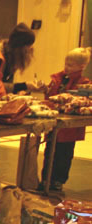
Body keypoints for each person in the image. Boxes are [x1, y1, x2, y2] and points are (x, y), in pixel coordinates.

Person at [41, 47, 92, 193]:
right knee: (49, 151)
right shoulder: (57, 78)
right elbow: (51, 96)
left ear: (81, 66)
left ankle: (58, 180)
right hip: (54, 123)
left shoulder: (84, 83)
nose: (66, 67)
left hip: (69, 129)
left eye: (70, 65)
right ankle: (46, 178)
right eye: (66, 63)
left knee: (64, 155)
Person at [0, 23, 42, 93]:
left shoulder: (12, 55)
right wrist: (24, 86)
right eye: (28, 46)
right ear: (19, 47)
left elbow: (8, 84)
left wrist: (18, 91)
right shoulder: (0, 57)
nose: (30, 49)